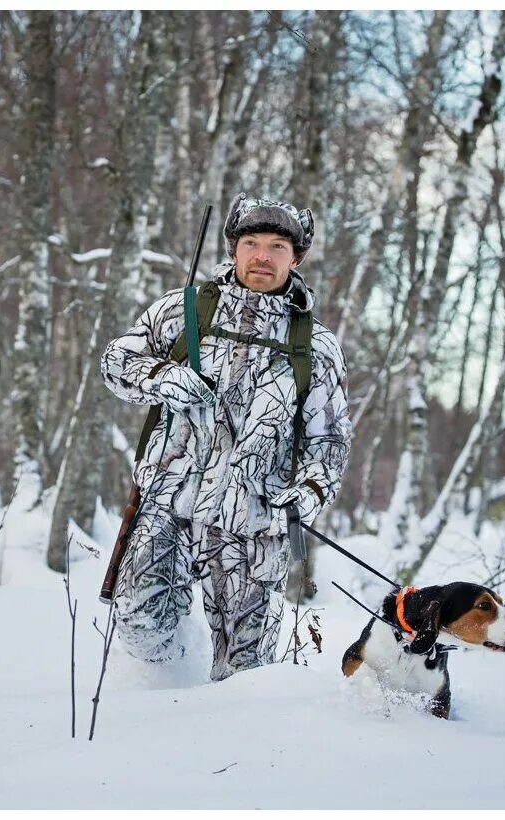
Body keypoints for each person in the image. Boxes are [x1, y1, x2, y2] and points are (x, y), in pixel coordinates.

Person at [100, 193, 352, 681]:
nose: (262, 256)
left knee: (244, 670)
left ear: (296, 258)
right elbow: (116, 361)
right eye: (251, 243)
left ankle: (221, 721)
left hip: (253, 523)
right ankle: (168, 691)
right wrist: (162, 377)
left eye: (277, 246)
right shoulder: (184, 310)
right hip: (167, 505)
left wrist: (309, 493)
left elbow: (330, 443)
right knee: (139, 623)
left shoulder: (315, 345)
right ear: (234, 249)